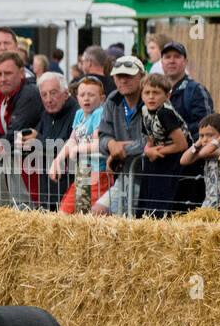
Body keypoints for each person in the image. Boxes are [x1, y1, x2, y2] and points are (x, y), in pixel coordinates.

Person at [110, 72, 187, 216]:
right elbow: (149, 139)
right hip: (157, 156)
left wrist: (158, 152)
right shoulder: (144, 111)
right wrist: (148, 150)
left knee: (164, 202)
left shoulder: (165, 113)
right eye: (147, 93)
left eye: (156, 93)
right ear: (142, 95)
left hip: (175, 160)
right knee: (148, 198)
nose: (151, 96)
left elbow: (182, 144)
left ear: (167, 96)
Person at [0, 52, 43, 208]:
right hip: (9, 166)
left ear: (21, 73)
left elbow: (16, 132)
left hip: (32, 168)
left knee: (27, 211)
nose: (2, 78)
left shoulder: (30, 93)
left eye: (8, 73)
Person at [94, 55, 148, 215]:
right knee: (97, 212)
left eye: (129, 75)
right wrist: (111, 145)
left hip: (150, 177)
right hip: (125, 177)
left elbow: (151, 141)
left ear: (142, 76)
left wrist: (119, 151)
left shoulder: (152, 98)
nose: (123, 80)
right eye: (119, 76)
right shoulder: (113, 99)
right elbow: (102, 136)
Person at [48, 75, 107, 213]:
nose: (86, 98)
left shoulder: (99, 113)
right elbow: (72, 140)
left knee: (89, 215)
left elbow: (99, 143)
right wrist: (58, 160)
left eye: (91, 95)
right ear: (77, 97)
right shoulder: (80, 114)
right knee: (65, 210)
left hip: (98, 172)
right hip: (83, 172)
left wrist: (78, 149)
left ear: (102, 99)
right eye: (82, 95)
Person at [31, 71, 79, 209]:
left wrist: (37, 139)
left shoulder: (77, 112)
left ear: (65, 93)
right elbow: (37, 137)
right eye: (44, 95)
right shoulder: (46, 114)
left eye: (53, 93)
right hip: (48, 188)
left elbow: (69, 145)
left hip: (70, 187)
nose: (49, 99)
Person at [158, 42, 212, 143]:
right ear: (161, 62)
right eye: (167, 57)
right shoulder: (155, 92)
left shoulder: (196, 90)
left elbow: (208, 125)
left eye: (177, 57)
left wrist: (175, 132)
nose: (172, 61)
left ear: (185, 62)